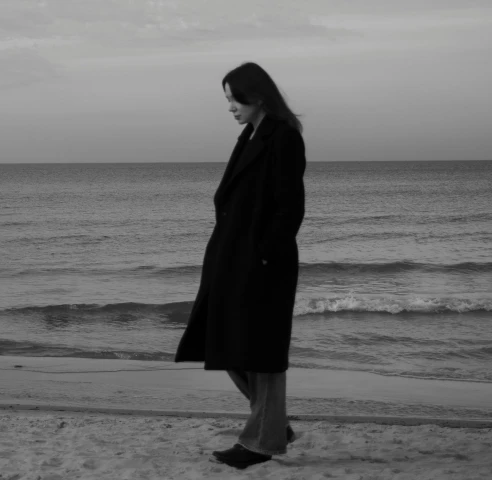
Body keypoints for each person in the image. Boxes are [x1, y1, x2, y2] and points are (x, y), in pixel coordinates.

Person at [174, 62, 306, 470]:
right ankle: (273, 424)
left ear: (258, 96)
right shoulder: (250, 134)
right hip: (231, 260)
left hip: (261, 263)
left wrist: (266, 254)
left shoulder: (282, 137)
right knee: (227, 343)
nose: (230, 106)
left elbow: (290, 207)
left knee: (260, 354)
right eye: (227, 98)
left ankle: (261, 443)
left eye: (234, 98)